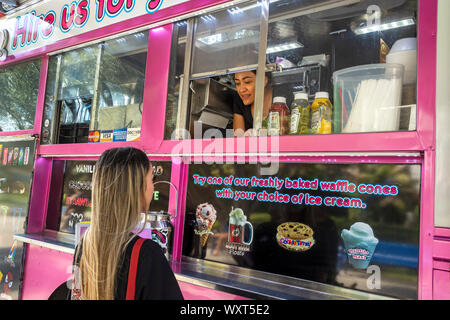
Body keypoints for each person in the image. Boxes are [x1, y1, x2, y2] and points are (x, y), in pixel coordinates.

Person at [71, 147, 183, 300]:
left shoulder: (84, 245)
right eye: (151, 179)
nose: (153, 187)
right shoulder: (147, 254)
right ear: (136, 189)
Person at [233, 70, 273, 137]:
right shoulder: (239, 100)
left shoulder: (281, 95)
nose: (241, 90)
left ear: (264, 81)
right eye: (237, 83)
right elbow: (238, 140)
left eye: (247, 82)